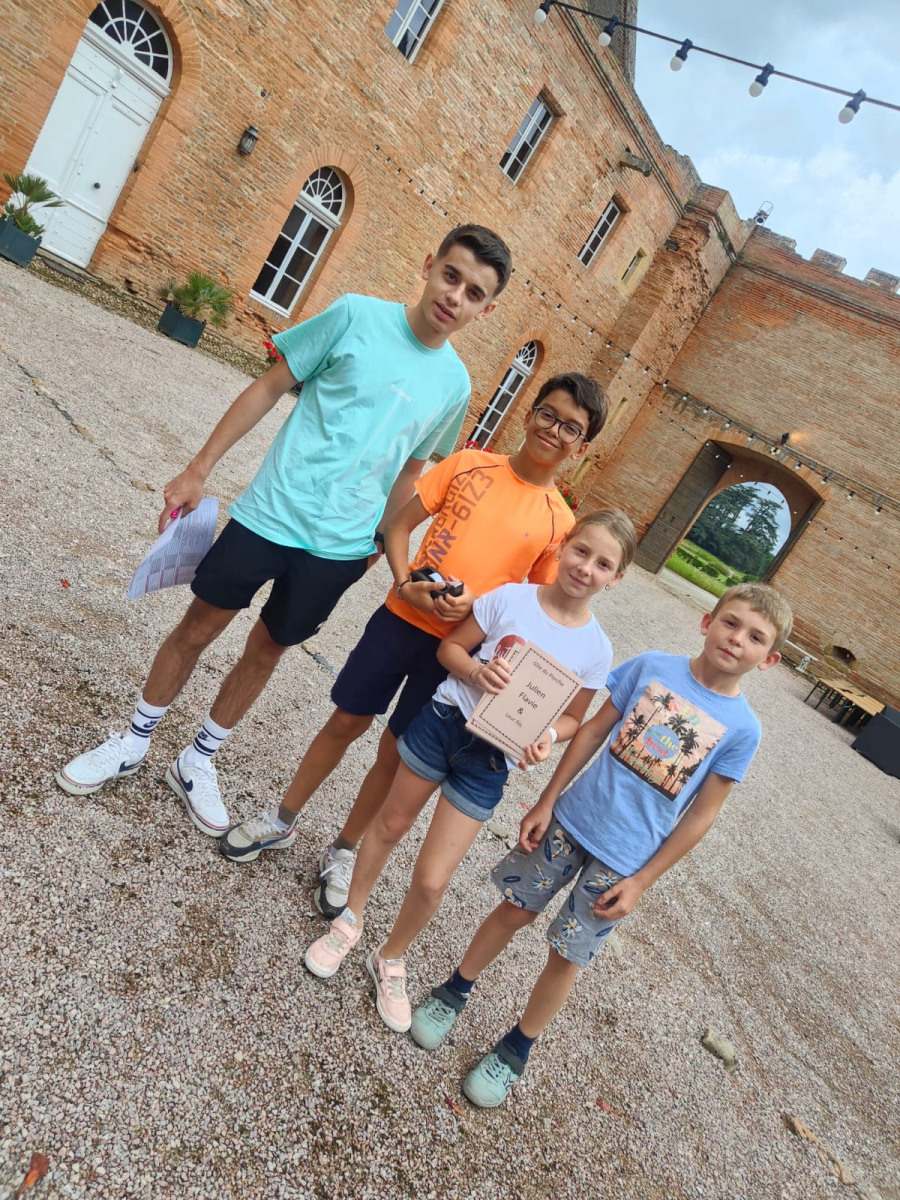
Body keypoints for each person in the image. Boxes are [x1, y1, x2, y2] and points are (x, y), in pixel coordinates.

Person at [55, 224, 512, 836]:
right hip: (269, 514)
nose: (455, 296)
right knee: (198, 628)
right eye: (451, 276)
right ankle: (133, 741)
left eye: (474, 292)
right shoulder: (355, 315)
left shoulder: (455, 385)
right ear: (430, 265)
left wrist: (381, 543)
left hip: (340, 548)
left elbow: (411, 470)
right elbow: (271, 385)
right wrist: (198, 469)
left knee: (267, 650)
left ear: (486, 309)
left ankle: (198, 760)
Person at [219, 374, 610, 918]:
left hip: (460, 657)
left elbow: (535, 609)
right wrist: (405, 583)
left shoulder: (560, 525)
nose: (554, 430)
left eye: (571, 427)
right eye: (548, 414)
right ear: (529, 414)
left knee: (395, 753)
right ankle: (282, 818)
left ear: (581, 447)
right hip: (401, 620)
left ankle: (344, 850)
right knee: (345, 720)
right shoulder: (469, 464)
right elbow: (399, 526)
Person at [409, 582, 793, 1108]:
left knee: (566, 955)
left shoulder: (743, 730)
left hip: (624, 861)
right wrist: (546, 800)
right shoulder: (651, 667)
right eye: (730, 623)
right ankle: (454, 991)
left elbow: (703, 814)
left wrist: (642, 881)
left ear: (768, 660)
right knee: (513, 909)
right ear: (708, 622)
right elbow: (590, 733)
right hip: (569, 821)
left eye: (754, 637)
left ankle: (515, 1050)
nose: (736, 639)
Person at [302, 510, 638, 1038]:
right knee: (389, 826)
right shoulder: (511, 598)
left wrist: (548, 735)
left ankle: (391, 956)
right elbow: (449, 648)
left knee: (433, 878)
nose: (585, 568)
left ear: (616, 578)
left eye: (602, 564)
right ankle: (351, 919)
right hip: (444, 722)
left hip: (492, 760)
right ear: (563, 546)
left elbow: (575, 716)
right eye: (581, 551)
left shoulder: (597, 650)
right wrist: (478, 671)